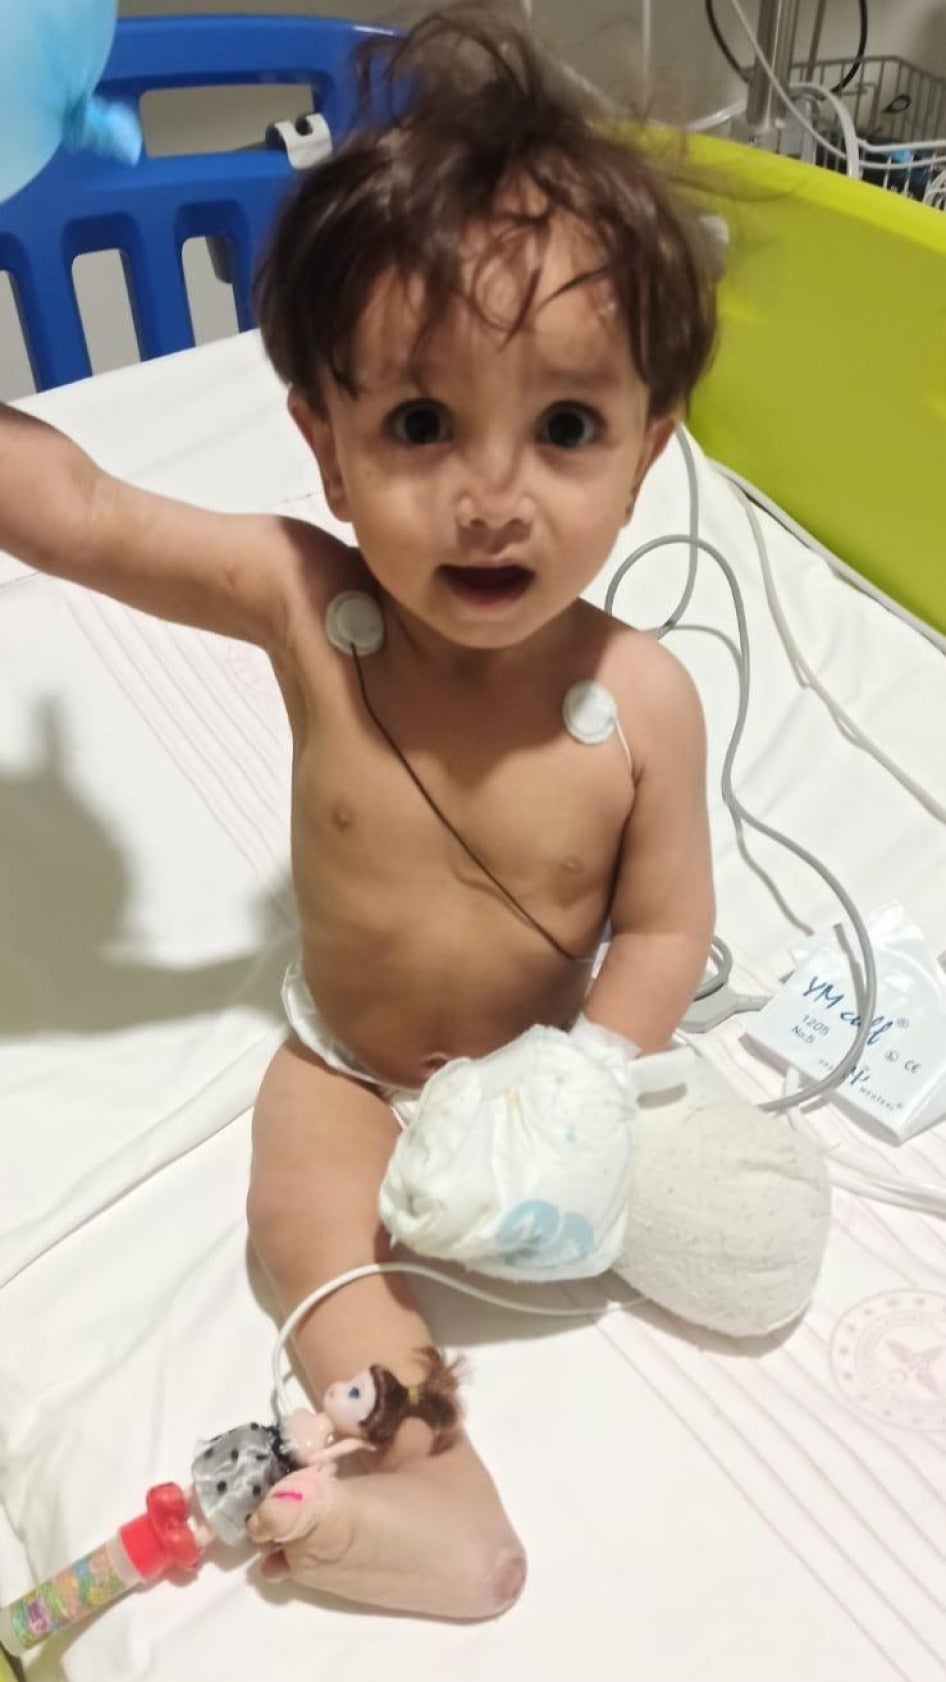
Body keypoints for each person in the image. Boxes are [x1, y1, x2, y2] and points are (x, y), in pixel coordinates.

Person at [0, 4, 717, 1622]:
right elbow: (83, 511)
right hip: (349, 1061)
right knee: (298, 1214)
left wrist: (594, 1075)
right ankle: (409, 1466)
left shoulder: (640, 700)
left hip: (535, 1082)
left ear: (649, 449)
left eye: (565, 427)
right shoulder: (303, 602)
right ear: (322, 447)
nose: (490, 490)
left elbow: (669, 924)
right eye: (417, 424)